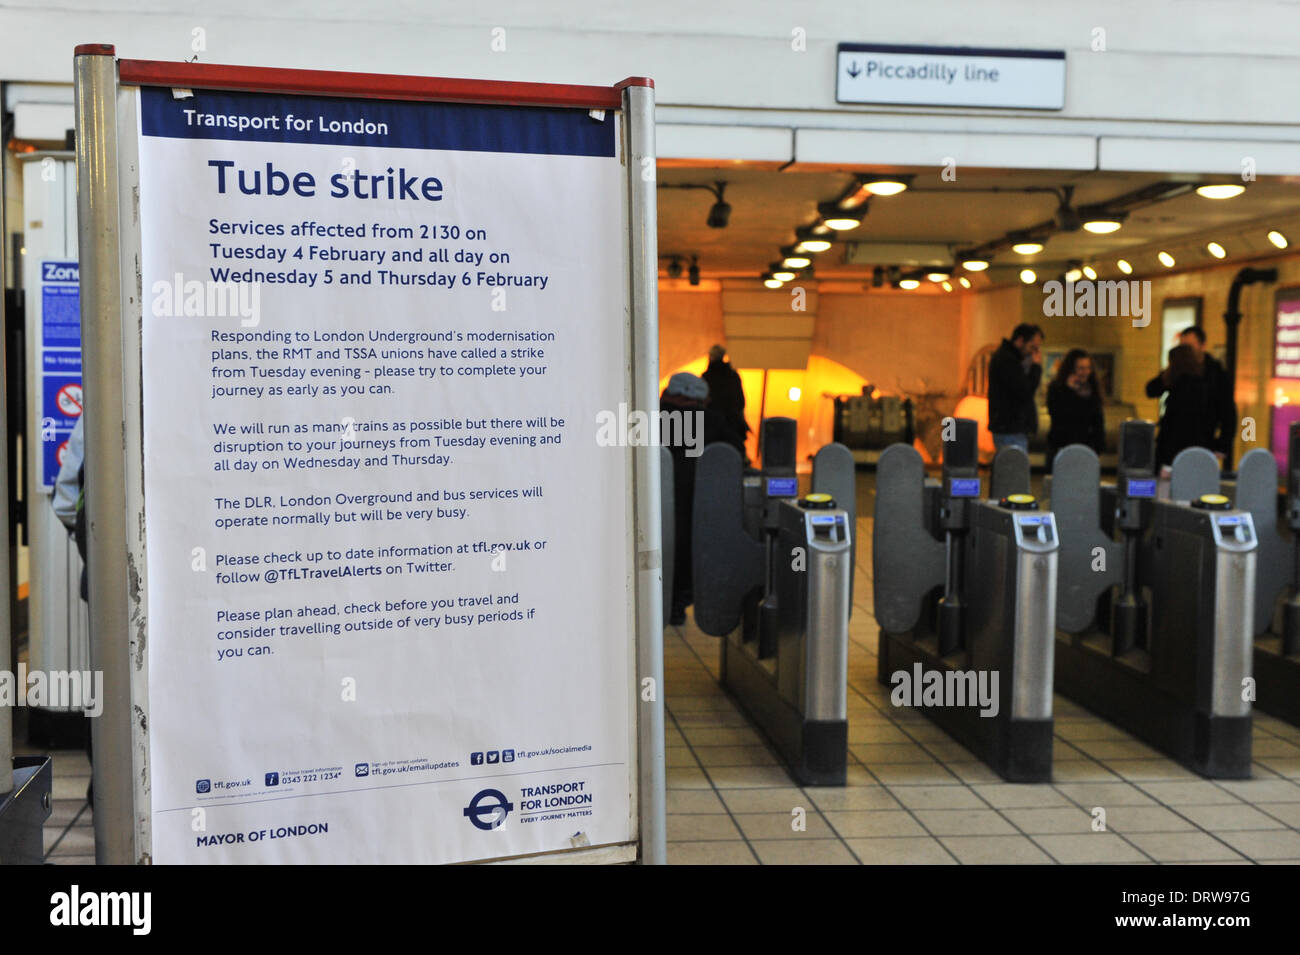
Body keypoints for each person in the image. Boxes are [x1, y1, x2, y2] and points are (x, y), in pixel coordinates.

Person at [660, 372, 744, 626]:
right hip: (697, 501)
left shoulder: (650, 416)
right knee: (688, 548)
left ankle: (659, 601)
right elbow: (735, 453)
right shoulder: (712, 421)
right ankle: (678, 603)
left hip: (656, 502)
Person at [1144, 325, 1234, 463]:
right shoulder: (1176, 371)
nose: (1185, 351)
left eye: (1189, 346)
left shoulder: (1216, 374)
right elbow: (1151, 390)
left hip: (1201, 442)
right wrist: (1169, 374)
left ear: (1202, 346)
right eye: (1182, 346)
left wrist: (1223, 445)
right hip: (1170, 443)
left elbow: (1228, 412)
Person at [1149, 343, 1216, 467]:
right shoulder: (1201, 384)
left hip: (1172, 446)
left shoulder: (1177, 386)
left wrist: (1164, 376)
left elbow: (1150, 390)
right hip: (1196, 446)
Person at [987, 323, 1045, 453]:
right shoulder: (1007, 361)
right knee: (1014, 469)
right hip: (1010, 428)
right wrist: (1036, 367)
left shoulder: (1009, 358)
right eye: (1032, 347)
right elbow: (1025, 391)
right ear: (1020, 341)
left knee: (1007, 467)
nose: (1033, 353)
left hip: (1009, 427)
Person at [1046, 348, 1105, 469]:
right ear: (1071, 369)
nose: (1085, 372)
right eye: (1080, 368)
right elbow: (1057, 414)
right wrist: (1069, 390)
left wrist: (1098, 448)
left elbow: (1098, 420)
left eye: (1088, 368)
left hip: (1086, 448)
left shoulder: (1092, 390)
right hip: (1061, 446)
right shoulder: (1057, 388)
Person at [701, 344, 750, 444]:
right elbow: (741, 401)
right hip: (733, 425)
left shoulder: (707, 377)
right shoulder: (733, 375)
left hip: (712, 427)